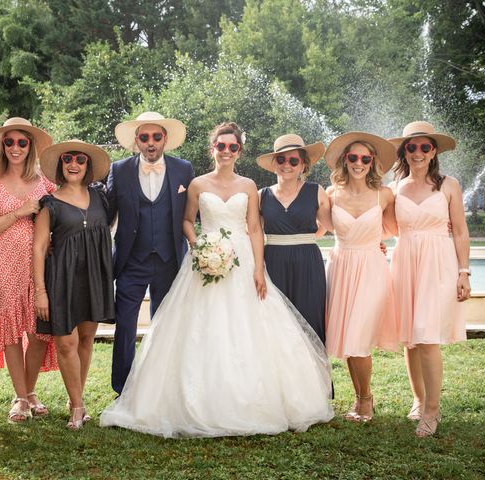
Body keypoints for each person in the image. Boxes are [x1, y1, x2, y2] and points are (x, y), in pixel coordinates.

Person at [100, 122, 334, 438]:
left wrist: (257, 269)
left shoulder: (250, 185)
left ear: (240, 151)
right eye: (221, 146)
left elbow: (254, 229)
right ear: (213, 149)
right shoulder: (196, 184)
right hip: (204, 261)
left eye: (232, 147)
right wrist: (200, 248)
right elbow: (186, 221)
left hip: (243, 261)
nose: (226, 151)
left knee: (249, 327)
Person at [388, 121, 469, 437]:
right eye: (412, 147)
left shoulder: (450, 185)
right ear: (404, 151)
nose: (418, 153)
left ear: (433, 150)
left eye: (424, 147)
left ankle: (433, 411)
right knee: (410, 336)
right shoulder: (394, 188)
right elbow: (384, 226)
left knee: (427, 336)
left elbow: (460, 230)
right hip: (405, 260)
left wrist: (464, 272)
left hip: (438, 263)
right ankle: (419, 400)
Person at [107, 111, 194, 395]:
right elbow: (106, 215)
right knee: (125, 326)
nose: (151, 143)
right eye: (144, 137)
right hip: (132, 261)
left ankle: (164, 385)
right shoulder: (119, 170)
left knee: (167, 324)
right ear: (137, 141)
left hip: (171, 260)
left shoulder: (183, 169)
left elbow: (194, 213)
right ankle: (123, 388)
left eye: (156, 137)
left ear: (165, 139)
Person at [0, 117, 57, 423]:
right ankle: (21, 398)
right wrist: (20, 211)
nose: (15, 148)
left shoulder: (44, 181)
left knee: (38, 332)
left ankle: (29, 390)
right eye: (9, 142)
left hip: (37, 263)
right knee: (11, 331)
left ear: (30, 146)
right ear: (2, 146)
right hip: (2, 262)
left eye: (21, 142)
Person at [33, 139, 115, 429]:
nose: (74, 164)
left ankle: (75, 398)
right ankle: (78, 407)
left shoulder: (102, 197)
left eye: (80, 160)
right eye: (68, 159)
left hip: (93, 277)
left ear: (88, 166)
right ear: (60, 165)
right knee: (65, 342)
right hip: (61, 280)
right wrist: (40, 292)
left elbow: (107, 228)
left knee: (85, 339)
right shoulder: (50, 203)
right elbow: (40, 248)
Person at [324, 132, 400, 423]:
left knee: (358, 335)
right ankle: (358, 398)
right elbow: (321, 228)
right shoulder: (330, 194)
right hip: (342, 266)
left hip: (370, 268)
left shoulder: (385, 194)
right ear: (345, 160)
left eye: (365, 158)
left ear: (373, 162)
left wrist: (375, 239)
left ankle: (366, 399)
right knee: (347, 337)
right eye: (353, 157)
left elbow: (394, 228)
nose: (358, 163)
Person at [256, 134, 330, 343]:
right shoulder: (262, 195)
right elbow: (252, 233)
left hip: (308, 263)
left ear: (303, 166)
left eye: (293, 160)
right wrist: (257, 268)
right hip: (274, 262)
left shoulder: (316, 191)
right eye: (281, 159)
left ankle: (316, 375)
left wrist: (370, 240)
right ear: (274, 164)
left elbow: (333, 225)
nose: (286, 165)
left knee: (310, 320)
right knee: (277, 323)